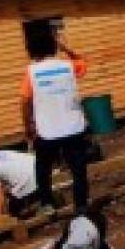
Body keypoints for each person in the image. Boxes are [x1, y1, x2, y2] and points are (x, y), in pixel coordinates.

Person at [22, 27, 90, 214]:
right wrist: (66, 48)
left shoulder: (32, 72)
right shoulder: (68, 66)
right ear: (53, 47)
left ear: (32, 51)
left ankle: (47, 203)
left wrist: (28, 126)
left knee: (43, 168)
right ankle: (81, 206)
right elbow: (82, 62)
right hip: (74, 127)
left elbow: (25, 101)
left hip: (47, 131)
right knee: (78, 170)